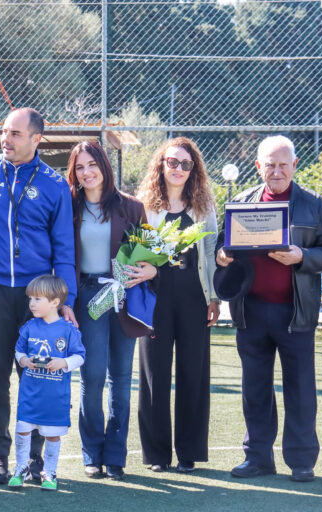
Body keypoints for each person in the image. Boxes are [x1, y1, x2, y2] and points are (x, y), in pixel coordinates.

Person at [0, 108, 77, 483]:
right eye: (3, 132)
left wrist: (66, 300)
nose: (5, 140)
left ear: (36, 139)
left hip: (38, 297)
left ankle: (33, 459)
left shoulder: (55, 184)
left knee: (38, 375)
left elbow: (64, 248)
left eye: (15, 134)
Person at [214, 135, 322, 482]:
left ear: (295, 166)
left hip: (294, 312)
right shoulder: (241, 202)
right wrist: (221, 256)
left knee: (300, 388)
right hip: (250, 311)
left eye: (283, 164)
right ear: (258, 167)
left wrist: (303, 257)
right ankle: (257, 457)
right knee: (254, 387)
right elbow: (221, 249)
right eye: (270, 164)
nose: (277, 170)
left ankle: (301, 460)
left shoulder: (315, 205)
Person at [66, 141, 156, 480]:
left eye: (93, 164)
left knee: (120, 377)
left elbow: (151, 253)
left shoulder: (132, 207)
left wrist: (152, 270)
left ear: (105, 166)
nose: (87, 172)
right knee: (92, 376)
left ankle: (116, 455)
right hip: (87, 296)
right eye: (79, 167)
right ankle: (92, 452)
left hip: (123, 295)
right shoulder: (68, 207)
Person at [135, 137, 219, 474]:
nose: (179, 169)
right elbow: (136, 249)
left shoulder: (203, 206)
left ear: (194, 169)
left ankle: (189, 452)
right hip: (154, 297)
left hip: (193, 297)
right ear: (161, 164)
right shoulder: (143, 204)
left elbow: (210, 252)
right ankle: (157, 454)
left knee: (193, 373)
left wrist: (214, 297)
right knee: (153, 374)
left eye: (186, 164)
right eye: (173, 162)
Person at [8, 275, 85, 491]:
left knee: (52, 434)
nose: (32, 303)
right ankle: (21, 468)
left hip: (55, 397)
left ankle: (50, 472)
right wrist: (23, 360)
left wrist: (63, 362)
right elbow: (19, 351)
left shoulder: (68, 330)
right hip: (30, 394)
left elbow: (80, 356)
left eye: (38, 299)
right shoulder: (29, 327)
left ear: (55, 302)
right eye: (30, 298)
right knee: (23, 428)